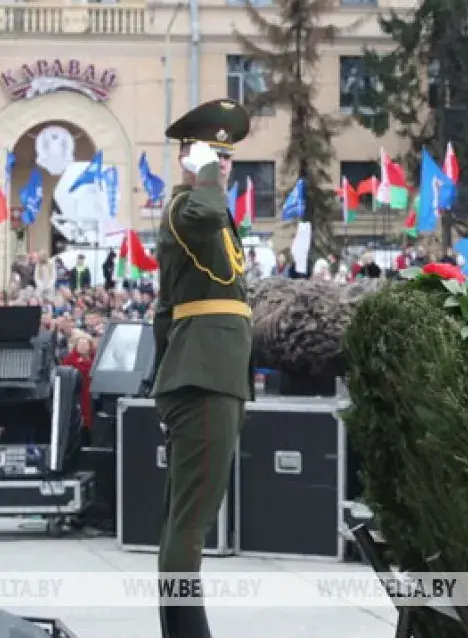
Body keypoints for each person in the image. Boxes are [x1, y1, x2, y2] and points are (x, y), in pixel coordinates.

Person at [151, 98, 254, 638]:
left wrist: (161, 377)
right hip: (205, 377)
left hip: (208, 374)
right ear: (189, 157)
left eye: (229, 154)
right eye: (215, 152)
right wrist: (205, 170)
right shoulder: (189, 208)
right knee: (190, 527)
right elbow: (208, 210)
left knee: (185, 523)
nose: (225, 163)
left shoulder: (206, 215)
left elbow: (164, 310)